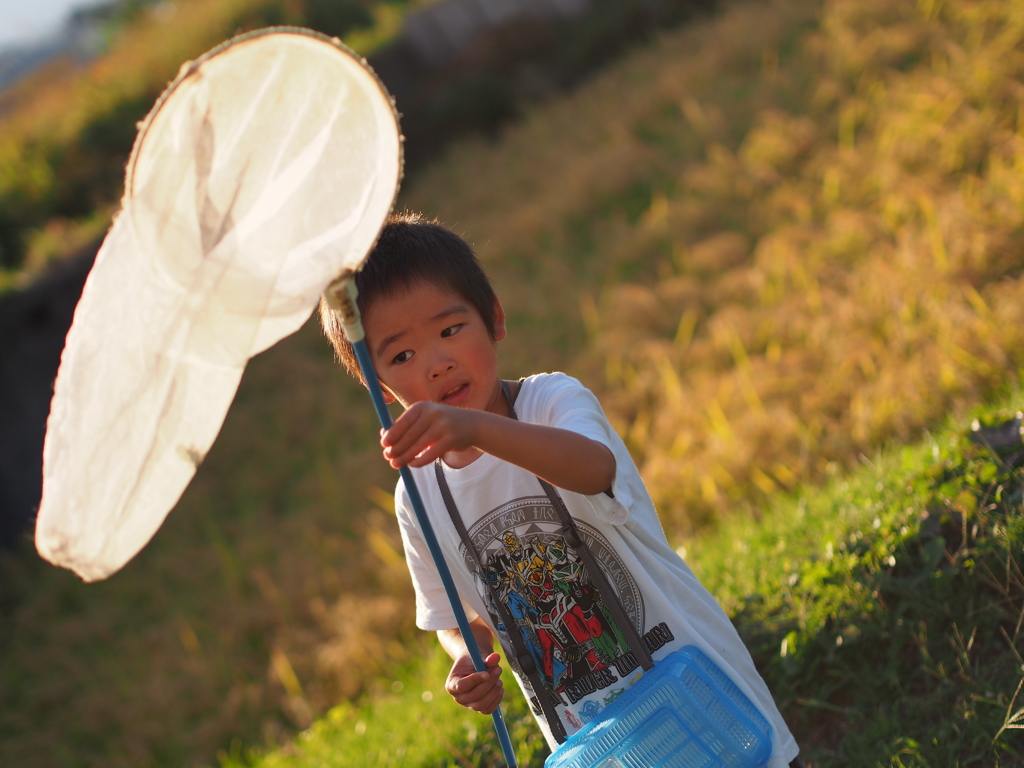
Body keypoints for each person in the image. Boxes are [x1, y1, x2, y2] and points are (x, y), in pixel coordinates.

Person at [320, 212, 802, 767]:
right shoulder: (419, 495)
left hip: (700, 690)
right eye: (402, 356)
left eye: (450, 330)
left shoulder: (551, 402)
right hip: (603, 742)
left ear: (495, 318)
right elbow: (460, 613)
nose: (437, 363)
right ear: (378, 388)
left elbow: (594, 469)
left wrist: (476, 429)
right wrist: (468, 659)